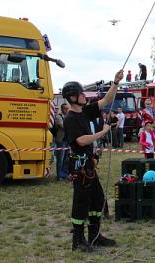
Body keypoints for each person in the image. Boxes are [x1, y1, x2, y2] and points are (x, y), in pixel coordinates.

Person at [62, 70, 123, 252]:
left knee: (97, 200)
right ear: (73, 97)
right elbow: (80, 140)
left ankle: (95, 236)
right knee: (81, 203)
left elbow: (106, 101)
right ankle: (78, 241)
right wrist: (102, 133)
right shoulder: (70, 118)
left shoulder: (84, 112)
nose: (84, 96)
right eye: (81, 94)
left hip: (88, 164)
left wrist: (115, 82)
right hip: (79, 165)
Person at [54, 103, 70, 180]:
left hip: (68, 140)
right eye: (65, 108)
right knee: (60, 158)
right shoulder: (58, 117)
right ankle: (59, 175)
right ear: (62, 109)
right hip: (61, 140)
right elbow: (63, 126)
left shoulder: (69, 116)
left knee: (66, 158)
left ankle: (65, 174)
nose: (67, 110)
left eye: (67, 108)